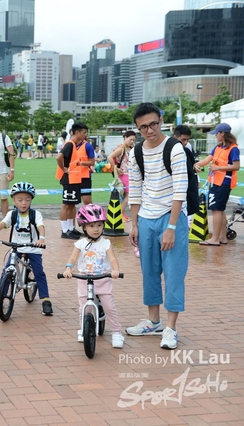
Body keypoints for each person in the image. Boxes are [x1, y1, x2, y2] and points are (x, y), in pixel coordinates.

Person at [127, 102, 189, 350]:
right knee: (149, 272)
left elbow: (180, 189)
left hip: (171, 217)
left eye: (153, 124)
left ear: (161, 121)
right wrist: (134, 224)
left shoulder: (175, 148)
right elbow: (135, 189)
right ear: (137, 128)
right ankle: (154, 322)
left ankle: (171, 328)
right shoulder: (136, 152)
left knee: (173, 273)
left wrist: (171, 228)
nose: (150, 130)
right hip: (145, 218)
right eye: (143, 127)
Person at [0, 182, 52, 315]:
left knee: (39, 272)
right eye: (20, 200)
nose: (23, 203)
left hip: (33, 247)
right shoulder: (12, 214)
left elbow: (40, 226)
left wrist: (41, 239)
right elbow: (3, 223)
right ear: (13, 200)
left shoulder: (35, 214)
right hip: (16, 248)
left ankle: (45, 300)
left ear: (31, 200)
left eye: (27, 200)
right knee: (7, 270)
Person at [62, 204, 123, 348]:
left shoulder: (106, 243)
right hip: (85, 279)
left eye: (99, 225)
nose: (96, 229)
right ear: (84, 227)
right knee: (84, 307)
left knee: (109, 307)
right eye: (91, 226)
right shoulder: (80, 243)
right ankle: (83, 329)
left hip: (103, 279)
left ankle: (116, 332)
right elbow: (73, 258)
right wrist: (68, 268)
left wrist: (115, 270)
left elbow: (112, 258)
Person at [195, 122, 240, 246]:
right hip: (216, 182)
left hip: (223, 183)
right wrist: (195, 164)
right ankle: (222, 237)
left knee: (216, 209)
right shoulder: (218, 147)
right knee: (220, 210)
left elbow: (236, 166)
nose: (215, 136)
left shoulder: (233, 149)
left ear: (222, 133)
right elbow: (207, 159)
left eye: (217, 133)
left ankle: (215, 239)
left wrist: (218, 168)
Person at [56, 122, 89, 239]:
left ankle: (70, 228)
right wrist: (63, 169)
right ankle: (65, 230)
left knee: (71, 204)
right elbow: (58, 157)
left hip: (74, 179)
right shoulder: (70, 144)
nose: (85, 135)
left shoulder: (73, 144)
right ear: (77, 132)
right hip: (69, 179)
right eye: (84, 132)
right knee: (66, 204)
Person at [107, 130, 136, 223]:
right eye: (130, 139)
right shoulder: (121, 148)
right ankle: (120, 214)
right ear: (125, 138)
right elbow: (110, 157)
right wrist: (116, 168)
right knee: (128, 196)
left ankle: (121, 214)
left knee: (126, 196)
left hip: (130, 174)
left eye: (133, 140)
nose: (132, 141)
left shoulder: (131, 148)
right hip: (124, 174)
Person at [175, 125, 199, 229]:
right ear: (175, 137)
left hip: (186, 190)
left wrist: (195, 170)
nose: (185, 142)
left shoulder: (187, 151)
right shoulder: (168, 151)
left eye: (187, 140)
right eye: (183, 139)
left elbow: (193, 167)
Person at [76, 137, 96, 205]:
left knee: (87, 200)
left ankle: (91, 211)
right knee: (70, 202)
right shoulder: (70, 145)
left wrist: (81, 163)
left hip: (84, 176)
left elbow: (92, 162)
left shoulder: (87, 146)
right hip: (72, 176)